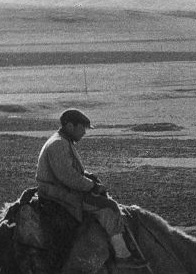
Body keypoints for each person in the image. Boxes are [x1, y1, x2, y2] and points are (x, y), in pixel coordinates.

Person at [36, 109, 132, 259]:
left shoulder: (63, 141)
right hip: (59, 194)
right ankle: (122, 254)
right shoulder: (58, 144)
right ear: (69, 126)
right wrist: (92, 186)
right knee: (108, 208)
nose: (84, 133)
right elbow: (68, 177)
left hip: (62, 189)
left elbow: (71, 171)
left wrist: (89, 177)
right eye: (82, 128)